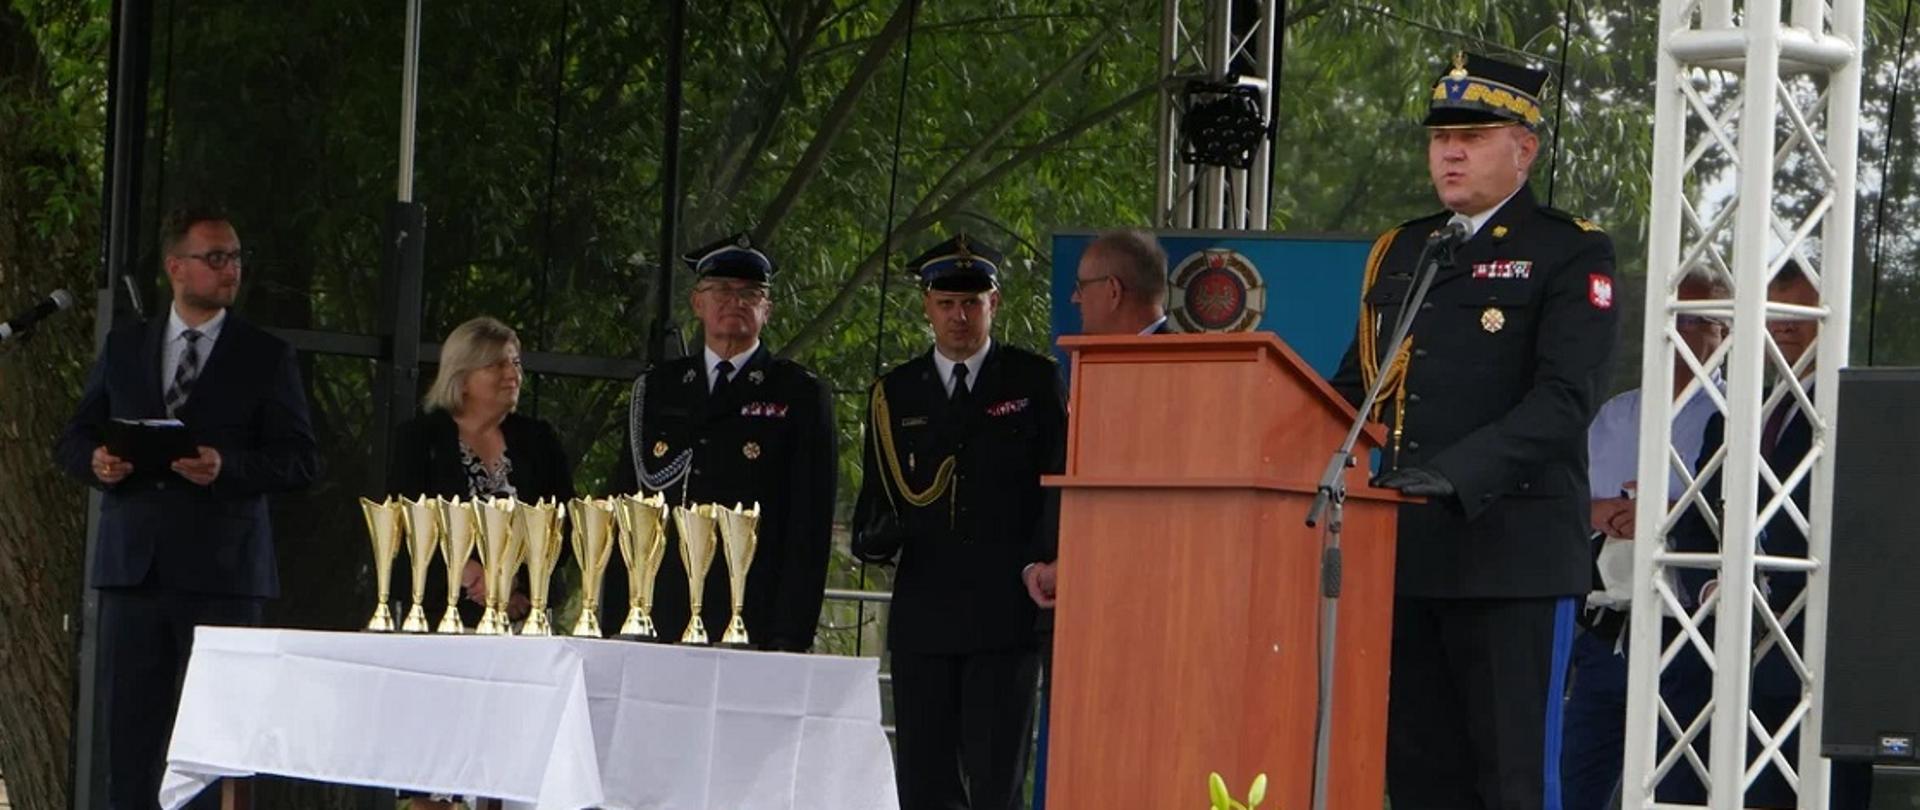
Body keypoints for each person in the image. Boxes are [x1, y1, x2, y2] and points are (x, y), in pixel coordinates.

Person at [1327, 52, 1619, 809]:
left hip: (1511, 558)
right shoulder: (1404, 250)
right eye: (1439, 137)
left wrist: (1456, 474)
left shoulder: (1570, 248)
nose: (1449, 151)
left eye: (1473, 134)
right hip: (1408, 555)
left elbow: (1564, 399)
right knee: (1420, 778)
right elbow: (1354, 389)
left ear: (1524, 149)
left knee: (1513, 782)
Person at [55, 207, 320, 810]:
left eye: (237, 258)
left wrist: (228, 467)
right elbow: (72, 438)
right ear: (177, 268)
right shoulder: (125, 346)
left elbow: (302, 460)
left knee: (214, 738)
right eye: (216, 258)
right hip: (134, 570)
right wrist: (97, 461)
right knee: (130, 738)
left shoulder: (265, 355)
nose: (232, 270)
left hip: (223, 572)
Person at [852, 233, 1068, 810]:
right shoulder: (894, 394)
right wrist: (878, 537)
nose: (959, 316)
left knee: (997, 782)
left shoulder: (1032, 381)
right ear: (926, 306)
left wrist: (1048, 561)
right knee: (924, 784)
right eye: (946, 303)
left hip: (1005, 611)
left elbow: (1058, 486)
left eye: (972, 303)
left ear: (994, 304)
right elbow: (876, 506)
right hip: (926, 614)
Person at [1662, 261, 1871, 808]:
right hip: (1725, 660)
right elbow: (1695, 520)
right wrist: (1713, 588)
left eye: (1799, 315)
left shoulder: (1861, 413)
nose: (1783, 327)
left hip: (1820, 660)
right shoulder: (1733, 418)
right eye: (1775, 315)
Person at [604, 233, 835, 653]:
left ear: (767, 310)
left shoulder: (797, 393)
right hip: (662, 604)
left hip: (751, 609)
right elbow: (627, 504)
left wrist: (790, 631)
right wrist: (617, 612)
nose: (736, 302)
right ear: (698, 304)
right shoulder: (659, 389)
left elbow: (808, 524)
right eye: (722, 291)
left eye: (750, 294)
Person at [1560, 271, 1727, 810]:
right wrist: (1601, 510)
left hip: (1687, 636)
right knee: (1576, 786)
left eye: (1703, 321)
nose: (1687, 332)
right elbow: (1566, 501)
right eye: (1679, 318)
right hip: (1605, 635)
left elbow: (1742, 521)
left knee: (1674, 791)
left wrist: (1663, 514)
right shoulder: (1617, 414)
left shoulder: (1736, 420)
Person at [387, 316, 574, 629]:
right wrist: (468, 572)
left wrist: (514, 581)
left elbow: (565, 526)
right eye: (496, 366)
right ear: (460, 376)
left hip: (524, 617)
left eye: (515, 363)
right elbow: (404, 525)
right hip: (439, 619)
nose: (512, 375)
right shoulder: (421, 439)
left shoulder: (538, 440)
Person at [1022, 228, 1171, 611]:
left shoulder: (1178, 370)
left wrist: (1073, 564)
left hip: (1133, 600)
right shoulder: (1096, 367)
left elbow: (1149, 496)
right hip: (1066, 600)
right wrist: (1037, 566)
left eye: (1081, 286)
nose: (1074, 298)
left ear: (1113, 290)